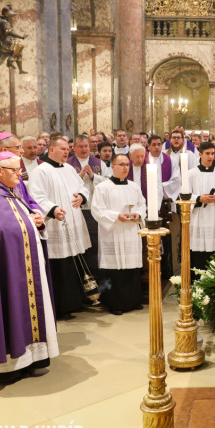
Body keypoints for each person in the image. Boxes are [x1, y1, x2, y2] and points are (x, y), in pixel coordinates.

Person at [0, 151, 58, 382]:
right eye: (15, 170)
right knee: (8, 305)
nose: (20, 175)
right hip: (6, 271)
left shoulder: (12, 192)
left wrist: (37, 220)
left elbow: (22, 219)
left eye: (20, 170)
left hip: (24, 266)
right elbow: (1, 232)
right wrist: (28, 222)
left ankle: (32, 358)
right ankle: (6, 366)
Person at [29, 136, 92, 318]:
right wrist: (53, 209)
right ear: (51, 150)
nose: (66, 152)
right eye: (63, 149)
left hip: (73, 222)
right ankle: (61, 307)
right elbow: (36, 197)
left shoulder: (70, 169)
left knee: (75, 262)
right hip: (55, 224)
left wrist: (82, 196)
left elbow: (83, 187)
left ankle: (77, 301)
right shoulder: (41, 171)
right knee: (60, 267)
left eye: (67, 149)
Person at [91, 152, 146, 315]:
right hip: (113, 233)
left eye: (127, 165)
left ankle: (133, 300)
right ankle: (115, 303)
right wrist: (116, 216)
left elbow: (142, 204)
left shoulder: (134, 187)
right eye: (121, 165)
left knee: (131, 266)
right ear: (113, 166)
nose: (125, 168)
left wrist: (138, 214)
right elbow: (97, 210)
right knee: (114, 268)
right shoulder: (103, 187)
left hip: (130, 231)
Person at [188, 142, 215, 270]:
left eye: (213, 154)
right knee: (199, 248)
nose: (210, 157)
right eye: (207, 153)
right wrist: (198, 198)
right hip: (199, 217)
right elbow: (184, 195)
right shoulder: (191, 173)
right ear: (200, 154)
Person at [67, 134, 106, 278]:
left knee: (94, 243)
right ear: (74, 148)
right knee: (79, 243)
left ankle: (95, 275)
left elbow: (108, 182)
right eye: (80, 146)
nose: (84, 149)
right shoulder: (67, 164)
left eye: (86, 146)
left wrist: (93, 176)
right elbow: (64, 185)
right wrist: (79, 176)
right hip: (76, 209)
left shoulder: (99, 163)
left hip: (94, 210)